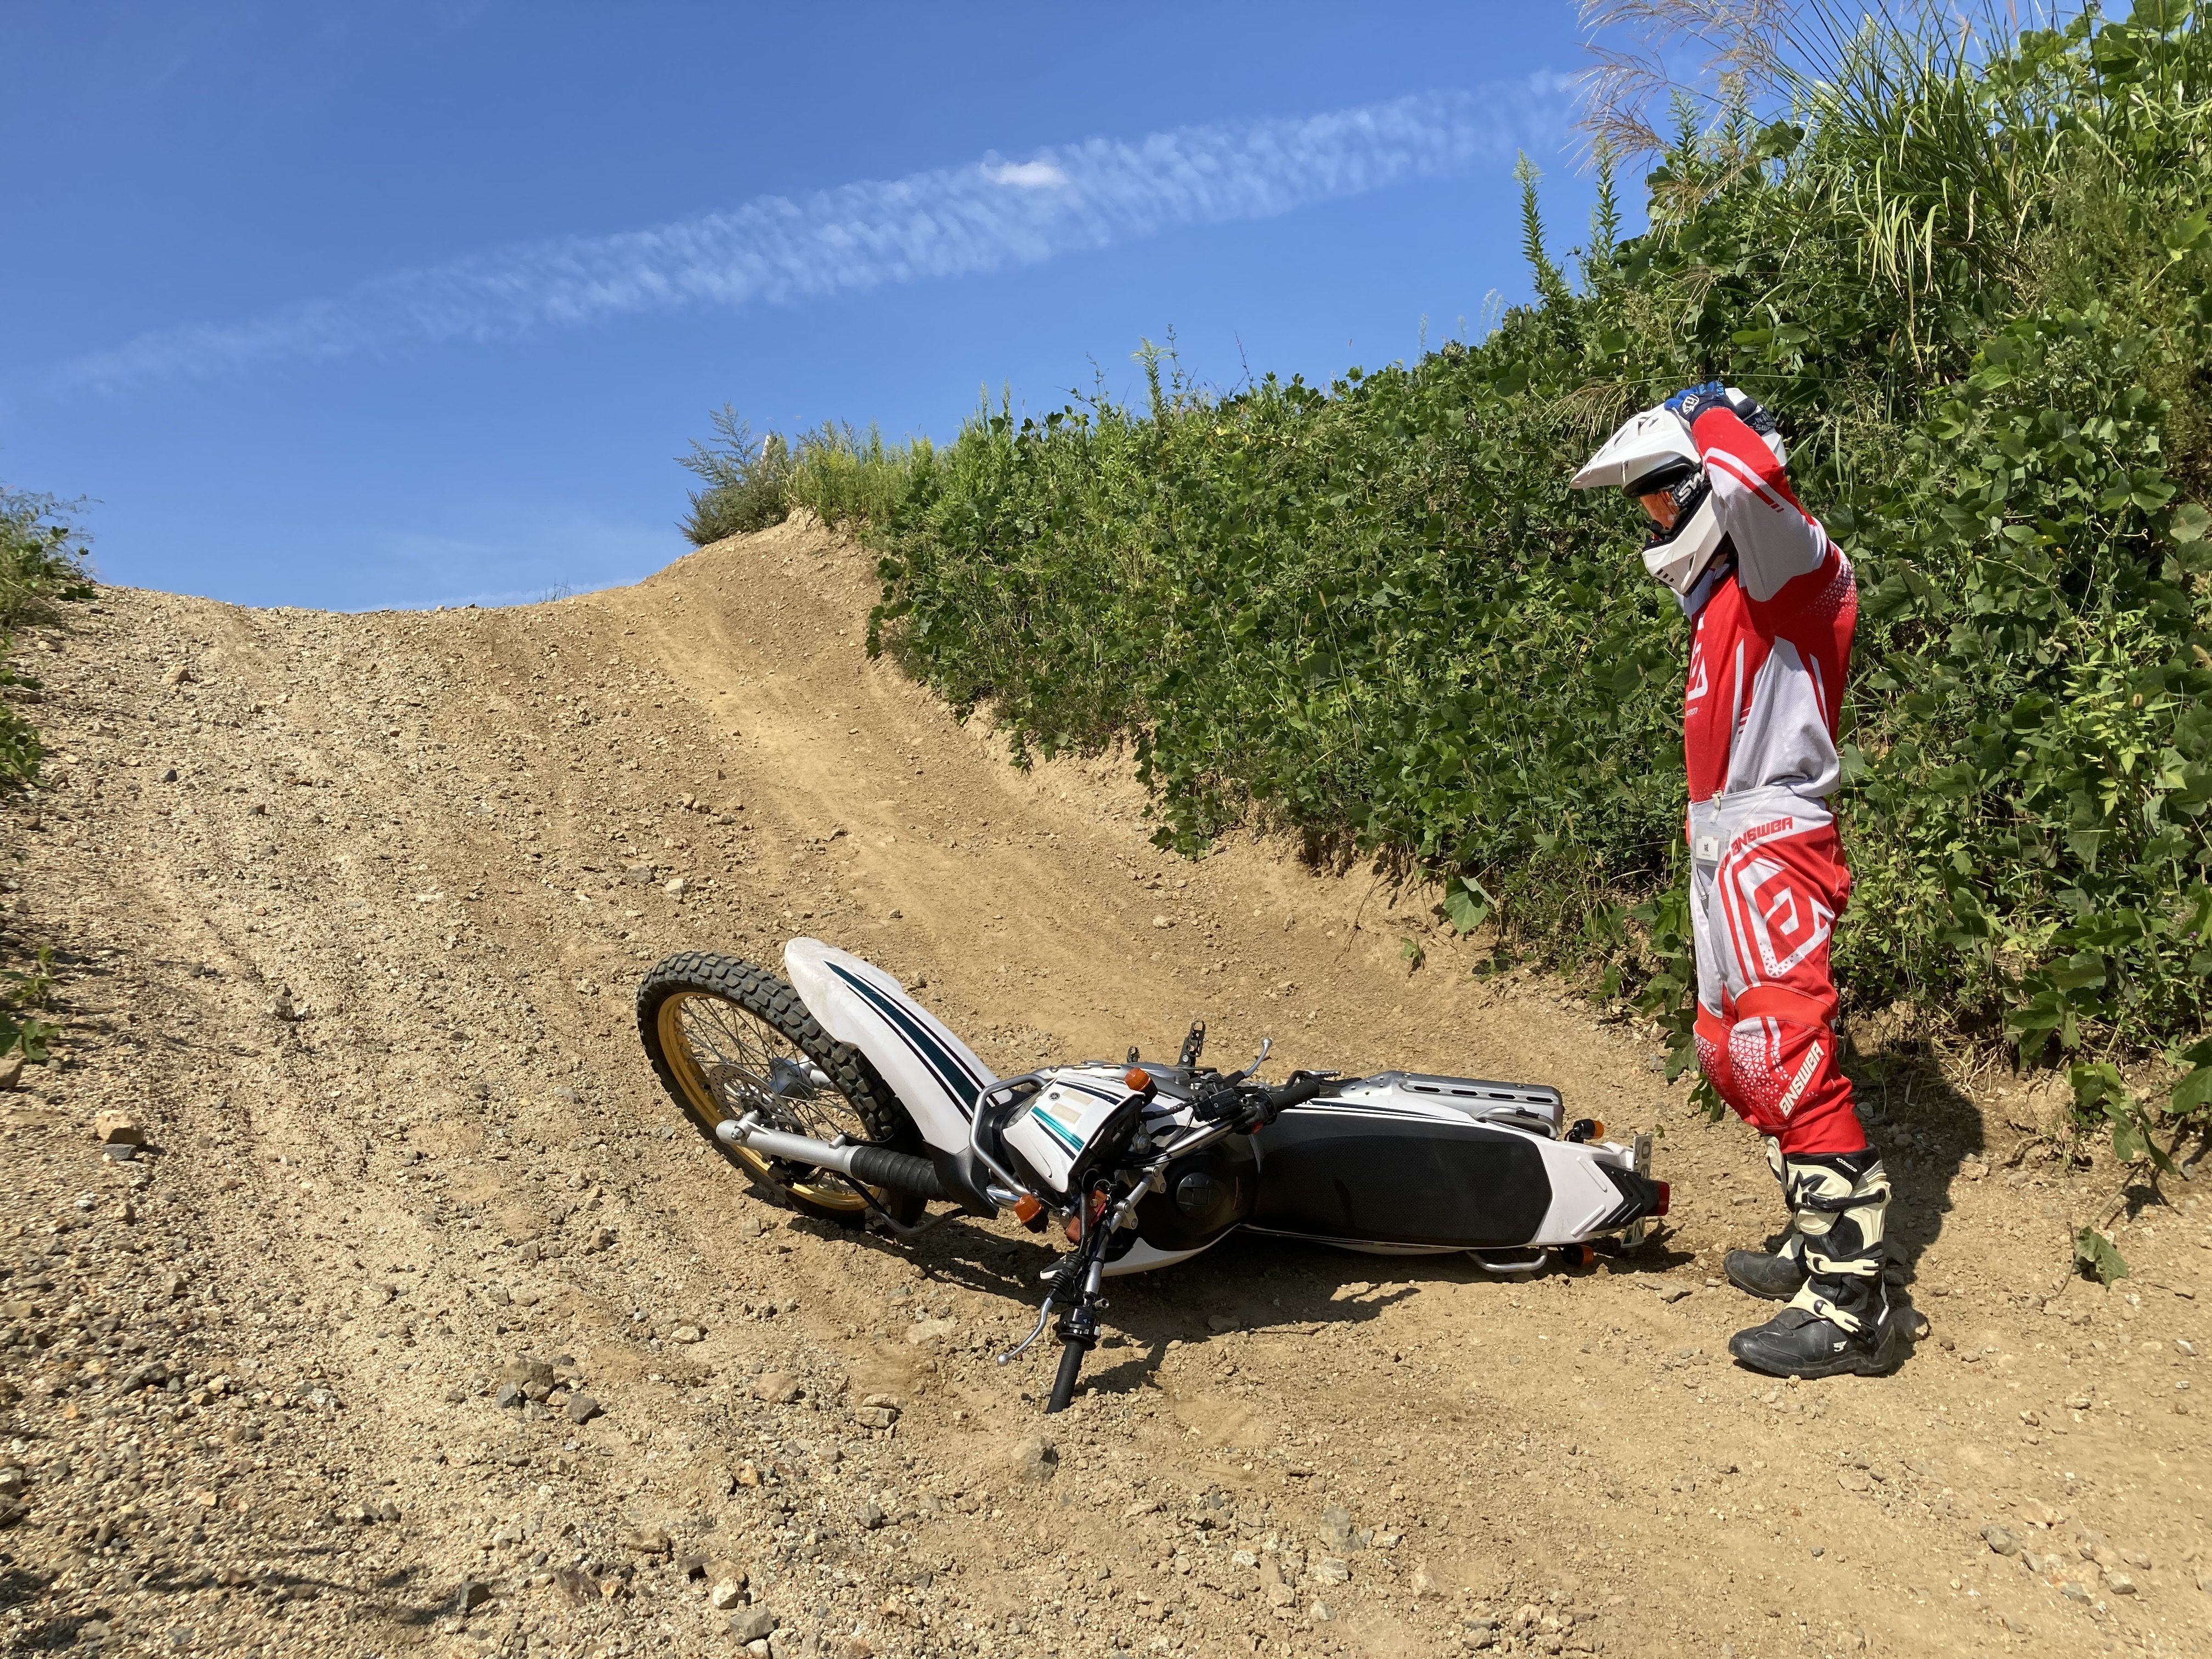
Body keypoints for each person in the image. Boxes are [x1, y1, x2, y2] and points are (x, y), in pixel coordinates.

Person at [1571, 382, 1895, 1379]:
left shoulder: (1794, 563)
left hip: (1773, 834)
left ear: (1709, 482)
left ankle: (1852, 1306)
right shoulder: (1724, 603)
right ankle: (1811, 1242)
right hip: (1724, 835)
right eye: (1649, 509)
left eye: (1666, 498)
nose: (1659, 522)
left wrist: (1714, 412)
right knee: (1734, 1052)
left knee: (1786, 1053)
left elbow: (1754, 480)